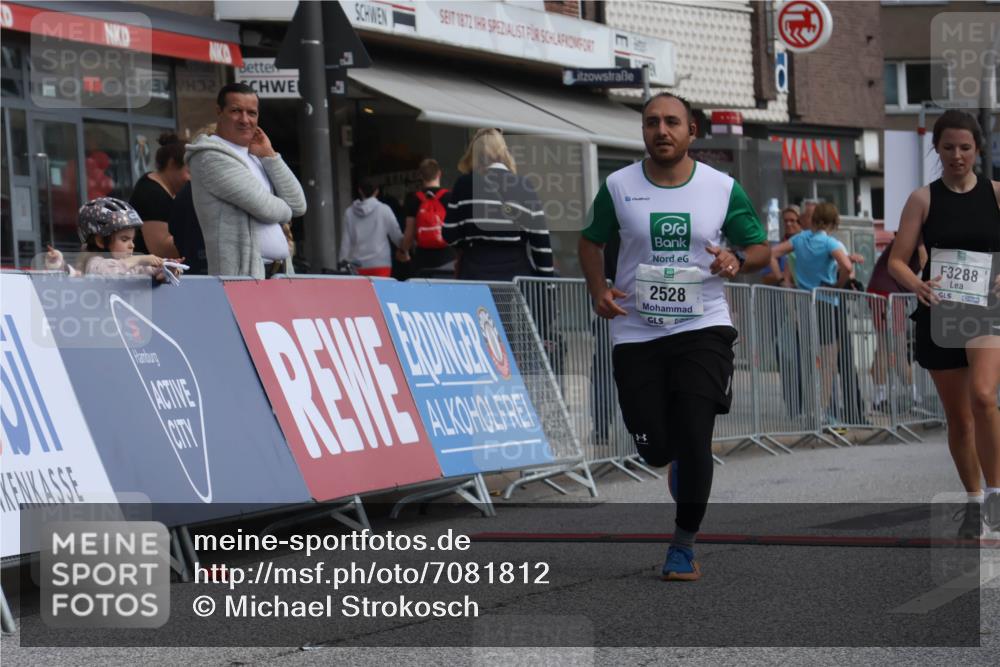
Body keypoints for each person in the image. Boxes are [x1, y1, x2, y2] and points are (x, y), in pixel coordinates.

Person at [578, 93, 770, 581]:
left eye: (671, 122)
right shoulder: (619, 186)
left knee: (694, 431)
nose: (661, 130)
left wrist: (737, 260)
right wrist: (598, 288)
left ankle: (683, 545)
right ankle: (672, 457)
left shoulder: (721, 187)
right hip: (636, 330)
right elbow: (590, 240)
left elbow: (760, 248)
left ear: (692, 132)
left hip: (702, 323)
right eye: (651, 123)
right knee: (656, 446)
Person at [888, 109, 1000, 539]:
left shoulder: (995, 194)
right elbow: (897, 260)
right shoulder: (923, 199)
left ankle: (994, 494)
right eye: (949, 147)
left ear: (977, 149)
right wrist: (917, 284)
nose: (957, 155)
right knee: (959, 418)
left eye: (965, 148)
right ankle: (973, 501)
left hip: (986, 310)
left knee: (984, 396)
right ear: (936, 149)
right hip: (941, 310)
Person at [185, 83, 306, 279]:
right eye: (236, 111)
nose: (245, 120)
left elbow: (299, 205)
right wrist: (286, 211)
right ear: (219, 112)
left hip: (279, 272)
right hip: (243, 277)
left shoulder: (257, 155)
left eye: (252, 113)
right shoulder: (209, 156)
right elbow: (267, 208)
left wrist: (270, 157)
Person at [773, 203, 858, 422]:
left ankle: (811, 408)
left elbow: (773, 253)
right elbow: (847, 268)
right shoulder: (830, 242)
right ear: (834, 223)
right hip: (827, 303)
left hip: (804, 303)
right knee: (828, 361)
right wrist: (838, 286)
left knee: (810, 359)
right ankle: (822, 411)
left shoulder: (799, 240)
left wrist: (783, 281)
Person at [443, 128, 555, 281]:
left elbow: (449, 234)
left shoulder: (464, 184)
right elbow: (541, 243)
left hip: (475, 277)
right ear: (504, 152)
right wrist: (548, 285)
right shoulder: (524, 186)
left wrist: (468, 240)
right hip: (516, 281)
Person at [44, 197, 178, 280]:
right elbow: (110, 272)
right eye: (124, 240)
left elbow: (148, 271)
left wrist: (167, 268)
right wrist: (140, 258)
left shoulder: (127, 264)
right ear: (101, 241)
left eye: (132, 239)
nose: (132, 246)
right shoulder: (94, 263)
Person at [867, 239, 926, 412]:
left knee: (886, 347)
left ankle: (883, 396)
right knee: (894, 348)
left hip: (885, 292)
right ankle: (912, 397)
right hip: (888, 294)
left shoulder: (913, 235)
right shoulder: (918, 236)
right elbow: (925, 262)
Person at [129, 132, 189, 256]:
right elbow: (162, 249)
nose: (192, 179)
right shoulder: (153, 195)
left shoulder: (159, 188)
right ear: (172, 164)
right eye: (189, 172)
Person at [402, 158, 456, 278]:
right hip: (447, 258)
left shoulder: (413, 199)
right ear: (439, 174)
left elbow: (409, 234)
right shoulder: (450, 197)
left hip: (422, 259)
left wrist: (403, 251)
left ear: (421, 176)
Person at [340, 181, 406, 277]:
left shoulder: (349, 213)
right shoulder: (384, 210)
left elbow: (346, 242)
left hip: (357, 266)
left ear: (360, 191)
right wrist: (406, 248)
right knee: (381, 292)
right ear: (376, 191)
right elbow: (396, 236)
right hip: (381, 264)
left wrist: (342, 264)